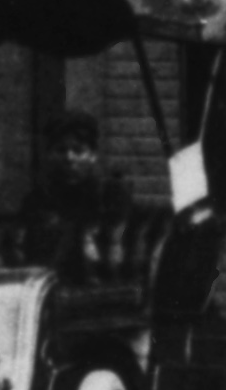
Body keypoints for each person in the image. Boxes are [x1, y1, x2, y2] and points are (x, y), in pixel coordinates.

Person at [18, 107, 138, 276]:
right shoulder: (37, 200)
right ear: (48, 155)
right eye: (61, 150)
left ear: (93, 155)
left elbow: (117, 250)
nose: (69, 158)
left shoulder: (111, 195)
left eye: (78, 150)